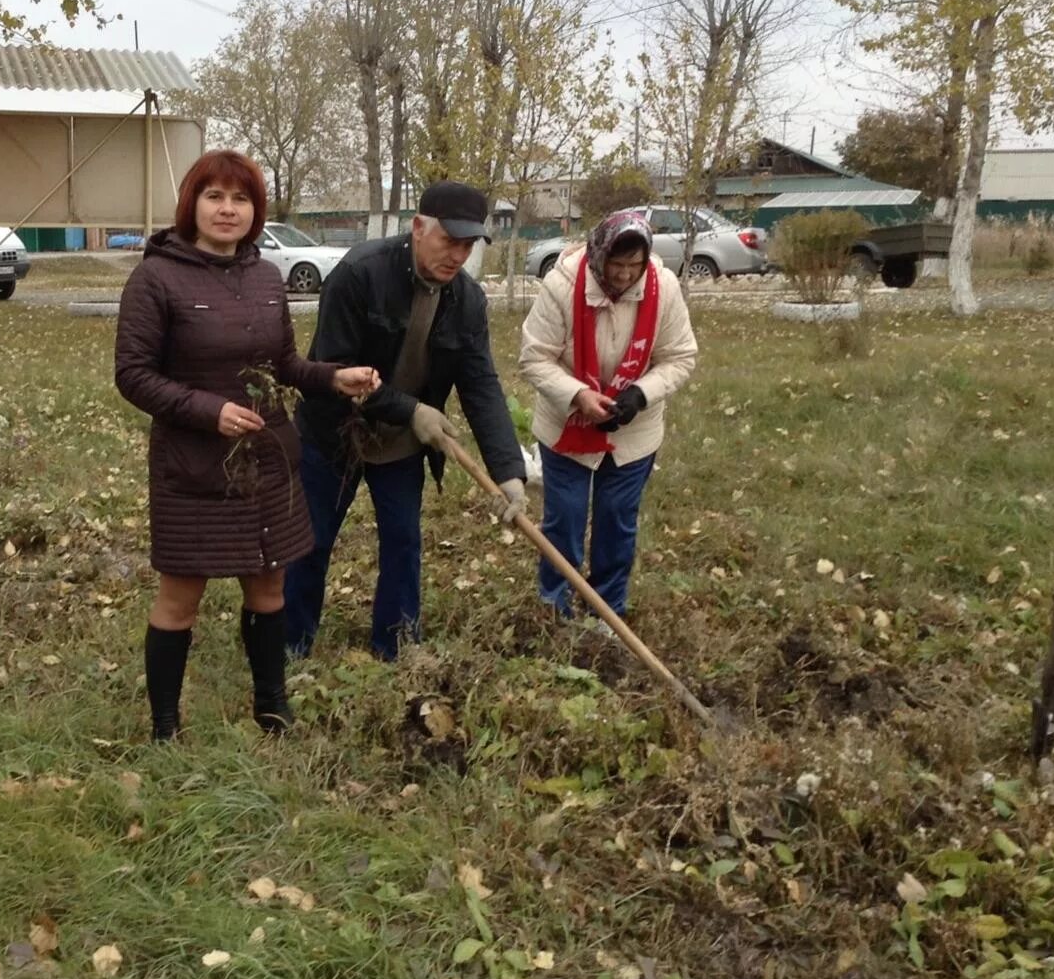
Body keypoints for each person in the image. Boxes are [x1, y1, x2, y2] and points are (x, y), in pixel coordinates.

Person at [114, 150, 380, 740]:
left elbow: (282, 363)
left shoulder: (264, 276)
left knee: (269, 584)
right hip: (194, 466)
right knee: (181, 595)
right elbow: (133, 374)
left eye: (240, 198)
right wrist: (209, 412)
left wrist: (334, 377)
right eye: (215, 196)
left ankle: (271, 705)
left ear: (256, 210)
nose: (227, 209)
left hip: (266, 460)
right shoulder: (155, 277)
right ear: (193, 204)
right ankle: (165, 727)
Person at [284, 181, 527, 661]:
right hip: (334, 432)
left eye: (468, 245)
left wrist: (509, 473)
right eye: (448, 241)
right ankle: (289, 646)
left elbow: (481, 385)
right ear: (418, 228)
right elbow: (335, 368)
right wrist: (411, 410)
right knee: (309, 543)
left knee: (403, 544)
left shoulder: (468, 301)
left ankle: (395, 647)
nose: (457, 255)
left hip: (401, 445)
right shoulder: (359, 274)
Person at [517, 210, 697, 619]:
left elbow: (680, 356)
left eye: (634, 265)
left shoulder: (662, 287)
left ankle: (606, 611)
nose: (624, 275)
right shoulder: (562, 285)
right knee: (564, 519)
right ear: (599, 254)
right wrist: (578, 395)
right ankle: (553, 608)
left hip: (634, 433)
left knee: (617, 522)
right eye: (617, 264)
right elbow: (534, 358)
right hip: (567, 426)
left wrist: (640, 394)